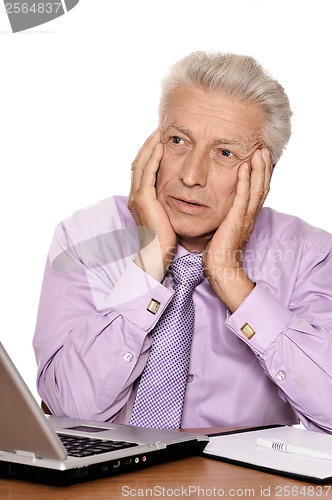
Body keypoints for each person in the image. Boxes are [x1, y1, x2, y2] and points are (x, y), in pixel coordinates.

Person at [33, 51, 332, 433]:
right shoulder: (85, 237)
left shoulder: (311, 255)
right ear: (152, 146)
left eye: (225, 152)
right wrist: (151, 263)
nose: (192, 175)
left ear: (263, 173)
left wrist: (232, 280)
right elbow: (69, 411)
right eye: (178, 140)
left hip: (240, 489)